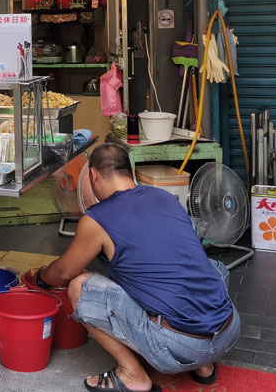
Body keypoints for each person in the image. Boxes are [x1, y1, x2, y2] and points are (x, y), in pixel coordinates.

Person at [35, 143, 239, 392]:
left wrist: (41, 277)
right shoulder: (164, 197)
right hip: (229, 331)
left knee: (79, 286)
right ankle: (204, 367)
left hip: (177, 349)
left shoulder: (96, 219)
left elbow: (64, 273)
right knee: (208, 266)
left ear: (94, 176)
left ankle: (133, 375)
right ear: (131, 173)